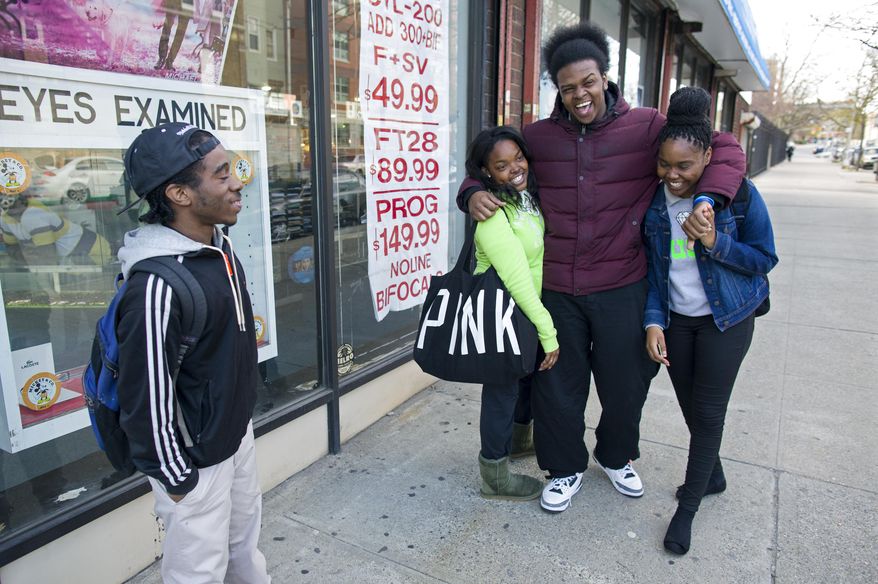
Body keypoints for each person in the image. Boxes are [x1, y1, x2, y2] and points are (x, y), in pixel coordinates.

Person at [457, 22, 746, 513]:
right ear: (558, 91)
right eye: (567, 88)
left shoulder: (649, 127)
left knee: (627, 383)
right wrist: (471, 193)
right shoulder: (538, 138)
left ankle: (616, 457)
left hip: (623, 285)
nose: (579, 95)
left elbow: (725, 149)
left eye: (587, 82)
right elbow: (489, 163)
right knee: (557, 386)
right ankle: (565, 467)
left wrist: (708, 198)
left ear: (605, 76)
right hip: (559, 290)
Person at [116, 122, 270, 583]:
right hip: (194, 460)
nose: (237, 181)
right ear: (180, 194)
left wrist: (240, 422)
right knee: (197, 571)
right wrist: (178, 481)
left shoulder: (219, 251)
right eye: (221, 174)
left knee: (244, 549)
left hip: (234, 435)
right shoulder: (156, 286)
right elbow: (144, 396)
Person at [642, 87, 778, 555]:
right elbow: (656, 274)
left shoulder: (737, 196)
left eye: (684, 166)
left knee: (708, 410)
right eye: (665, 164)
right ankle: (713, 473)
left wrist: (715, 242)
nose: (673, 175)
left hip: (728, 319)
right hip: (679, 322)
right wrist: (654, 322)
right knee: (688, 403)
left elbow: (764, 258)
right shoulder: (655, 204)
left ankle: (689, 508)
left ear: (707, 158)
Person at [465, 126, 559, 501]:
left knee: (524, 382)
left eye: (518, 157)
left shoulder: (525, 199)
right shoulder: (493, 214)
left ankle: (519, 441)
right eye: (501, 165)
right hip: (505, 314)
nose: (515, 168)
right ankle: (495, 475)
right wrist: (548, 330)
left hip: (524, 314)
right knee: (501, 392)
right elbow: (517, 279)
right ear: (487, 172)